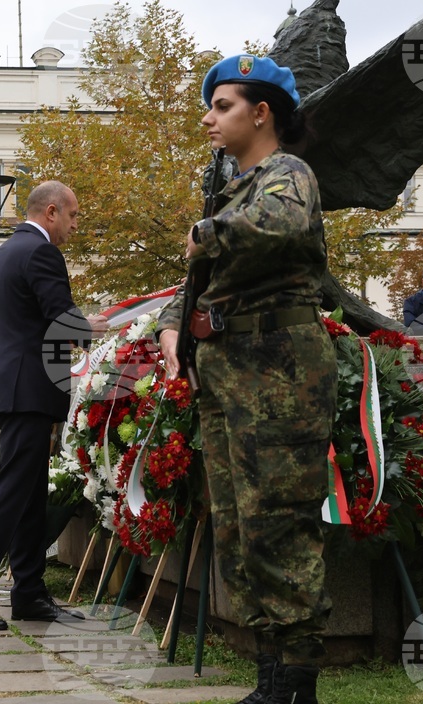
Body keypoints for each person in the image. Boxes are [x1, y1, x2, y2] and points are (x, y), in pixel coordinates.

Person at [157, 55, 336, 704]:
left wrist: (207, 231)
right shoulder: (236, 186)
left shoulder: (288, 177)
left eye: (223, 105)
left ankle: (298, 685)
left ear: (261, 113)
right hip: (231, 372)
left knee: (278, 527)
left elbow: (279, 226)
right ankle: (271, 680)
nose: (209, 117)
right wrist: (172, 328)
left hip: (280, 372)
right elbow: (200, 281)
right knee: (238, 531)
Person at [0, 181, 108, 631]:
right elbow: (63, 318)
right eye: (72, 216)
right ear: (51, 212)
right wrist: (89, 325)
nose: (74, 226)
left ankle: (29, 592)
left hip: (14, 385)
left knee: (31, 492)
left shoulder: (2, 255)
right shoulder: (42, 253)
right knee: (14, 489)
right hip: (31, 388)